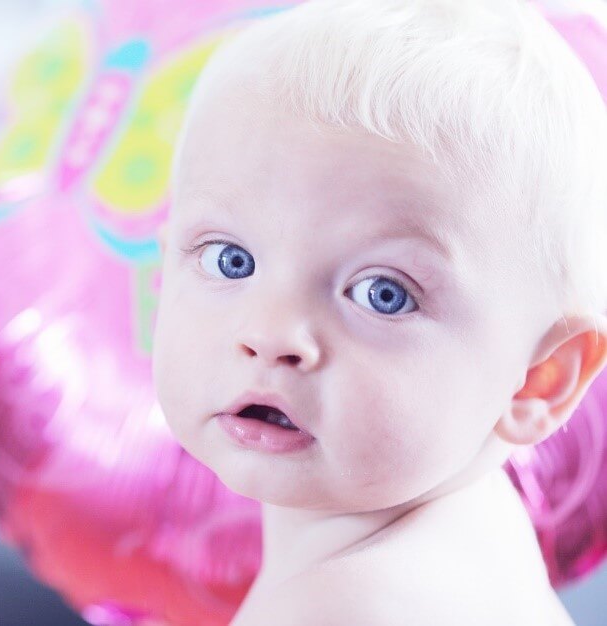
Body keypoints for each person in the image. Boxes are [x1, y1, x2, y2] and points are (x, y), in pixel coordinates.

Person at [150, 0, 607, 623]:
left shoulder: (351, 606)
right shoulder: (467, 533)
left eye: (382, 293)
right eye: (232, 261)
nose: (270, 333)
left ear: (538, 379)